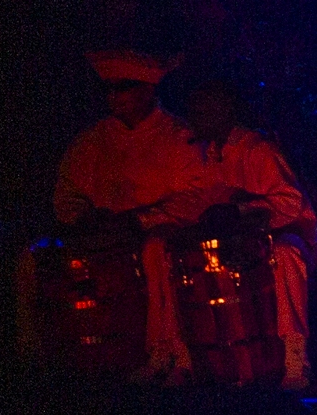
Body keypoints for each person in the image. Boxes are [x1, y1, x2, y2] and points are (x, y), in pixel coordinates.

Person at [26, 47, 211, 379]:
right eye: (109, 88)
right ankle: (38, 356)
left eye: (124, 86)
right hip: (98, 235)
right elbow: (67, 195)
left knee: (155, 250)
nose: (115, 96)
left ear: (148, 89)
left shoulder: (180, 135)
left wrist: (138, 221)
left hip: (157, 232)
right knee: (31, 258)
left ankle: (163, 350)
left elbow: (196, 195)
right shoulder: (90, 141)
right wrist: (84, 220)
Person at [179, 71, 317, 389]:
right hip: (244, 241)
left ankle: (296, 357)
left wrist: (240, 210)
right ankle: (200, 358)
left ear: (224, 111)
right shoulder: (207, 154)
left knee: (286, 254)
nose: (193, 119)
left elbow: (290, 203)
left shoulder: (258, 151)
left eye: (202, 112)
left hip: (288, 234)